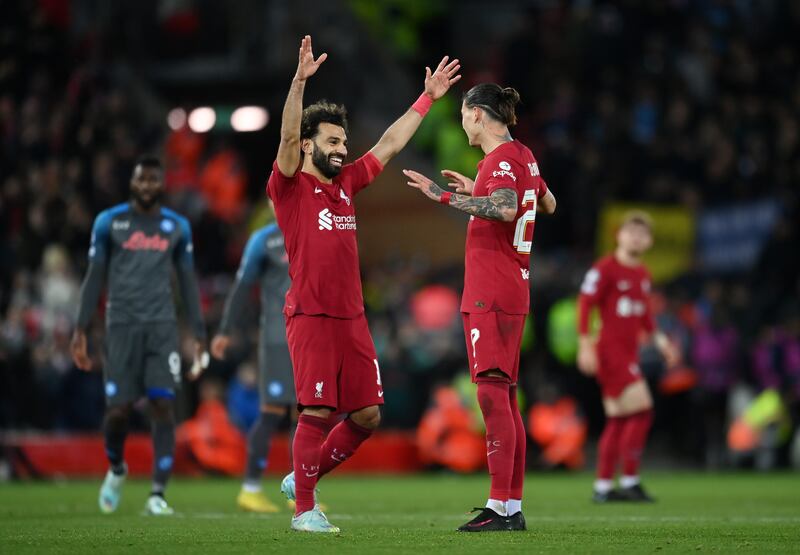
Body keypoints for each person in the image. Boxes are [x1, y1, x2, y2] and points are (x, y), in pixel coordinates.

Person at [267, 35, 461, 533]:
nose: (341, 150)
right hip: (311, 314)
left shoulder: (348, 183)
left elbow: (389, 143)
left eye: (343, 142)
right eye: (332, 142)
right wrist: (299, 83)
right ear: (309, 145)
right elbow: (286, 138)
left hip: (352, 317)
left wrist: (427, 99)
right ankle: (303, 511)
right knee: (316, 409)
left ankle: (303, 476)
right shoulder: (290, 186)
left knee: (368, 416)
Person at [404, 83, 557, 532]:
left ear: (476, 114)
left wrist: (444, 196)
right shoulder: (523, 155)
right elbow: (546, 202)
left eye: (462, 115)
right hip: (512, 288)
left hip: (492, 291)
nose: (462, 125)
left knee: (492, 395)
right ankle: (510, 505)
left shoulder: (501, 159)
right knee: (504, 396)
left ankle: (499, 507)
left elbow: (506, 210)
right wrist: (482, 190)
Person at [71, 156, 208, 516]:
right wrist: (80, 328)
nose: (147, 185)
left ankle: (157, 494)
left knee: (163, 406)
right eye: (141, 179)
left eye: (153, 180)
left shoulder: (176, 226)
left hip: (162, 328)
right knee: (118, 412)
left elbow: (187, 282)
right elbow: (94, 276)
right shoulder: (109, 222)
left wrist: (198, 332)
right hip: (121, 328)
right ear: (132, 182)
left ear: (162, 184)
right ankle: (117, 468)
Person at [576, 211, 679, 503]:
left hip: (628, 352)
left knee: (619, 419)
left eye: (642, 234)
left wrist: (661, 342)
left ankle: (603, 487)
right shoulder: (605, 268)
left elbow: (645, 315)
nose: (636, 237)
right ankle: (630, 480)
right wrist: (585, 345)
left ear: (649, 241)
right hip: (610, 352)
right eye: (631, 231)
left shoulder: (642, 273)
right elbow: (585, 304)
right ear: (619, 236)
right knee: (643, 410)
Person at [211, 220, 295, 513]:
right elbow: (243, 286)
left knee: (306, 414)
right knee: (272, 412)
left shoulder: (314, 229)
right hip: (277, 338)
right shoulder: (263, 240)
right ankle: (251, 488)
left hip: (310, 336)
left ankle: (300, 492)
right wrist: (225, 329)